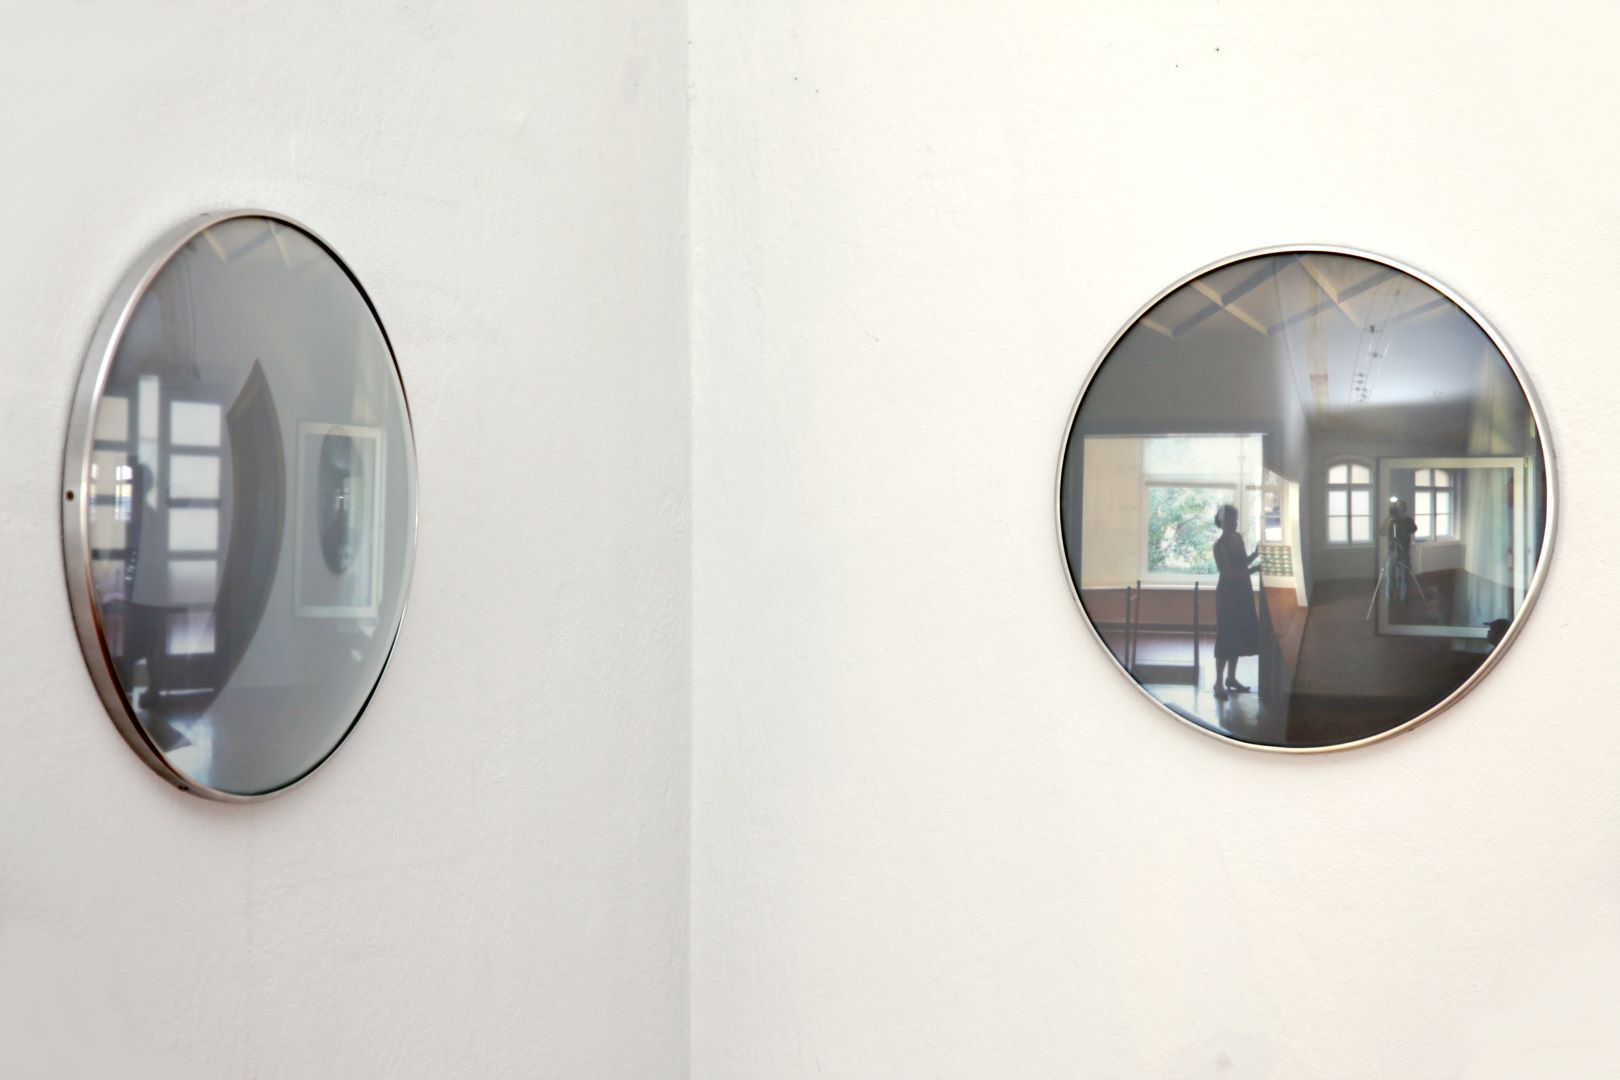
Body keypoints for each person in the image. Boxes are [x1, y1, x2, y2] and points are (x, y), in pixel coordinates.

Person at [1211, 504, 1260, 699]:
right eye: (1230, 521)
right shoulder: (1219, 546)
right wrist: (1254, 570)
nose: (1234, 524)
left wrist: (1255, 555)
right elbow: (1229, 574)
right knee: (1226, 636)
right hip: (1228, 595)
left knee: (1238, 635)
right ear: (1222, 522)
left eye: (1235, 520)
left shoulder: (1238, 538)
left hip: (1242, 592)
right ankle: (1218, 683)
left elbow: (1242, 563)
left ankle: (1231, 678)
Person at [1384, 498, 1417, 603]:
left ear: (1405, 508)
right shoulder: (1390, 519)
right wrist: (1388, 522)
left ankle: (1404, 598)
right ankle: (1389, 598)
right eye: (1398, 507)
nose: (1400, 508)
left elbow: (1413, 529)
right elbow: (1382, 532)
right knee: (1390, 577)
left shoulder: (1408, 520)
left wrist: (1403, 520)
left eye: (1402, 507)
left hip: (1404, 551)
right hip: (1392, 551)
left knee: (1404, 577)